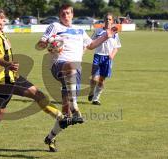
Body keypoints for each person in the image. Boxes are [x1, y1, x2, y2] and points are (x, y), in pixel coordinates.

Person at [0, 8, 73, 156]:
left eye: (4, 18)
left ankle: (61, 118)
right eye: (1, 18)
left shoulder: (2, 34)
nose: (4, 20)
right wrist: (7, 64)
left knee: (38, 95)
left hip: (12, 76)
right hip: (2, 81)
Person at [36, 4, 117, 152]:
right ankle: (75, 107)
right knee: (70, 66)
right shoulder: (54, 26)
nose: (65, 16)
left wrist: (106, 36)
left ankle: (51, 137)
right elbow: (40, 44)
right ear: (59, 15)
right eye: (62, 14)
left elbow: (91, 45)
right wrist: (48, 43)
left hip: (74, 74)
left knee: (65, 117)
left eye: (68, 13)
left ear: (72, 15)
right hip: (59, 65)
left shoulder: (80, 30)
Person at [88, 13, 121, 105]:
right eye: (106, 19)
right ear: (103, 20)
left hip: (107, 58)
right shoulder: (98, 31)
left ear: (113, 21)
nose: (107, 21)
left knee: (101, 80)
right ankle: (91, 91)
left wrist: (112, 55)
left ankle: (96, 99)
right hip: (98, 56)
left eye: (110, 19)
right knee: (94, 78)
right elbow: (90, 42)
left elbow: (117, 47)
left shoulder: (115, 33)